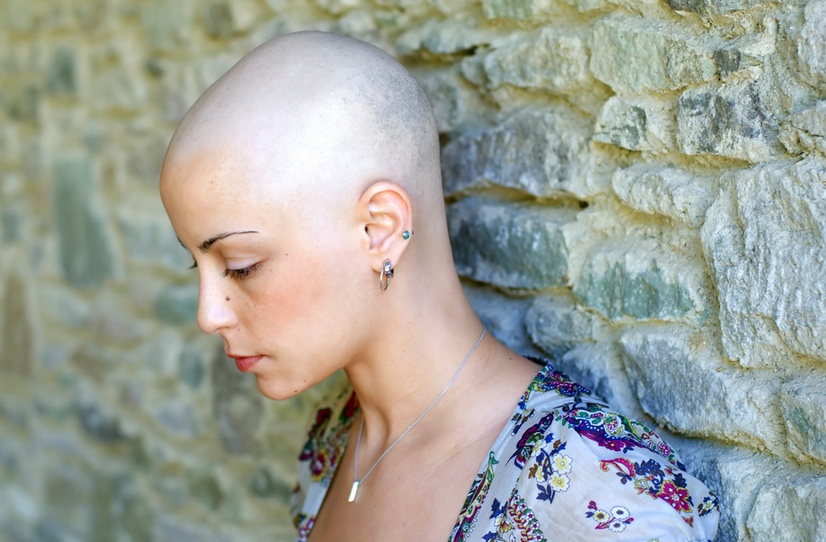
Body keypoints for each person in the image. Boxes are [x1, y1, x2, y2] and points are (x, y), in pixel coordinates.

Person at [159, 31, 720, 541]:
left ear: (379, 230)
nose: (209, 314)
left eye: (241, 265)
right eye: (196, 265)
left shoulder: (594, 500)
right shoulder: (335, 440)